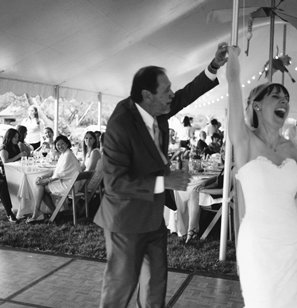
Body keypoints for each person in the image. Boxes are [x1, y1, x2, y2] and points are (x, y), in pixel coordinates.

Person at [93, 42, 226, 308]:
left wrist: (213, 67)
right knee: (120, 288)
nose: (171, 95)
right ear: (147, 95)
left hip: (153, 218)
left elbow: (186, 94)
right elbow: (115, 183)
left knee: (155, 285)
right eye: (166, 90)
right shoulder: (121, 124)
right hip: (125, 220)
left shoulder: (158, 108)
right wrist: (165, 181)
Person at [225, 45, 297, 307]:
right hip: (258, 246)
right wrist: (233, 60)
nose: (284, 101)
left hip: (295, 245)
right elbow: (233, 83)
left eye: (286, 98)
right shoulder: (245, 143)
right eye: (276, 96)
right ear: (256, 106)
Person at [28, 135, 81, 223]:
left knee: (41, 187)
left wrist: (45, 180)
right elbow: (56, 170)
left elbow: (60, 174)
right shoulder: (65, 153)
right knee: (41, 185)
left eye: (62, 144)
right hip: (71, 183)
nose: (60, 146)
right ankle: (51, 212)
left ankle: (40, 212)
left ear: (67, 144)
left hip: (70, 185)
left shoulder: (68, 155)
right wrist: (43, 177)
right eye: (58, 145)